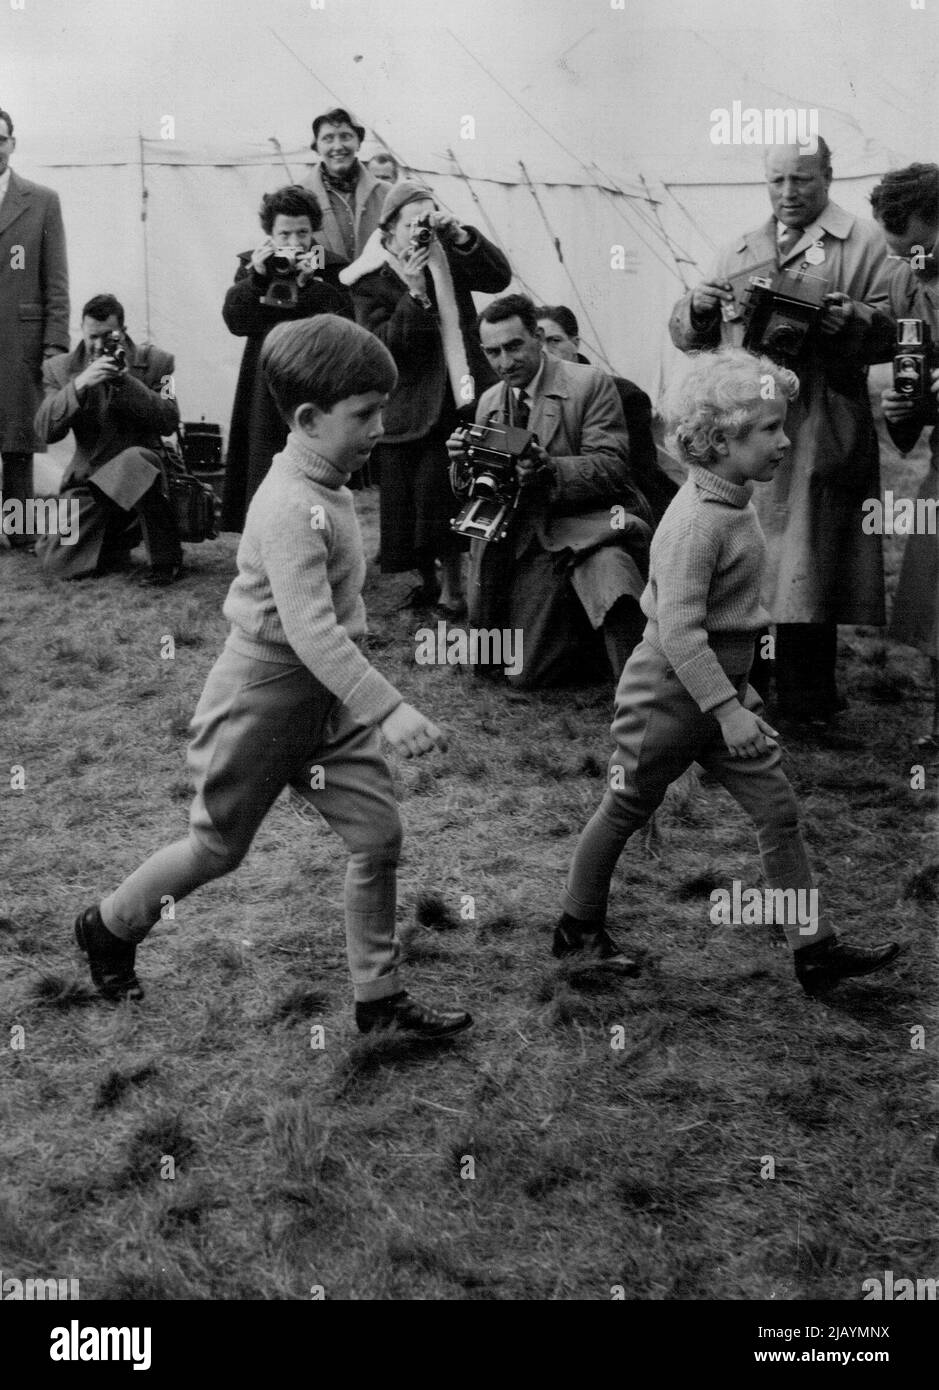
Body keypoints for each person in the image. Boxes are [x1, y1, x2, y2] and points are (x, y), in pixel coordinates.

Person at [73, 313, 472, 1039]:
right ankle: (109, 926)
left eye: (384, 408)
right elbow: (311, 632)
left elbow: (329, 637)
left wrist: (356, 708)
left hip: (326, 700)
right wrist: (390, 709)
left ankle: (377, 1002)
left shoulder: (332, 479)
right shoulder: (290, 504)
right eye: (367, 413)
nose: (382, 425)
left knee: (377, 836)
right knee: (217, 848)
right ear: (310, 419)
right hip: (261, 698)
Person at [554, 347, 900, 996]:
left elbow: (722, 624)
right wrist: (728, 708)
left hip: (716, 699)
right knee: (626, 806)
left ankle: (813, 949)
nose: (784, 440)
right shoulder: (692, 525)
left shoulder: (733, 502)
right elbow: (679, 632)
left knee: (777, 811)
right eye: (768, 429)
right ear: (716, 441)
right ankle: (577, 928)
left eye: (781, 424)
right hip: (666, 700)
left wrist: (736, 695)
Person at [669, 139, 894, 723]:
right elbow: (694, 337)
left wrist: (856, 320)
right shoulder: (741, 248)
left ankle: (808, 696)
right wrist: (697, 305)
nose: (789, 193)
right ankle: (747, 683)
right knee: (749, 552)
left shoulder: (866, 243)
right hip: (747, 427)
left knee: (809, 559)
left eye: (802, 180)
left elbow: (900, 330)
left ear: (828, 177)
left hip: (821, 419)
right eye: (777, 181)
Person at [448, 294, 653, 687]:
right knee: (525, 674)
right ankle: (575, 638)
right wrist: (462, 463)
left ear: (537, 337)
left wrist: (550, 470)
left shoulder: (588, 384)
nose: (504, 362)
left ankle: (630, 673)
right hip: (525, 539)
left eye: (514, 346)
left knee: (609, 571)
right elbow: (483, 493)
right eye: (492, 352)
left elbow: (613, 467)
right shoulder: (490, 401)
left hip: (587, 525)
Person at [351, 180, 511, 614]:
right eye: (412, 223)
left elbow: (499, 277)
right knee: (413, 499)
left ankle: (456, 585)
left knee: (452, 488)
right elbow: (381, 344)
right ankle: (429, 578)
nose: (421, 231)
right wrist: (415, 293)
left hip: (461, 392)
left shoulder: (448, 256)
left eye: (428, 218)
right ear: (388, 232)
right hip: (410, 401)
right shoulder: (370, 281)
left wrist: (459, 236)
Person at [220, 184, 353, 532]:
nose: (294, 242)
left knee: (315, 466)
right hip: (266, 383)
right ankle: (265, 542)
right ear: (270, 233)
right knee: (264, 464)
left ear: (314, 231)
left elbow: (345, 324)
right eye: (284, 234)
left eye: (303, 233)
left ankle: (317, 540)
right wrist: (257, 280)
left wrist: (313, 286)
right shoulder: (254, 264)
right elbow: (236, 322)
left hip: (316, 383)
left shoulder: (332, 267)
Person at [34, 294, 182, 584]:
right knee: (56, 564)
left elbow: (169, 419)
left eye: (109, 336)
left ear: (124, 331)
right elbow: (45, 430)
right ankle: (110, 543)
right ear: (81, 330)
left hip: (142, 482)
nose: (99, 345)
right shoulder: (58, 369)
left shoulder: (160, 363)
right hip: (91, 487)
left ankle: (165, 562)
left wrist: (126, 383)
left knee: (137, 459)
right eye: (92, 337)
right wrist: (79, 384)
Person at [870, 162, 939, 749]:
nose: (919, 267)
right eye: (905, 256)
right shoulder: (903, 285)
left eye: (925, 251)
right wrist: (903, 408)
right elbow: (912, 367)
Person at [536, 304, 678, 526]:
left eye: (554, 340)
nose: (546, 350)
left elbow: (639, 473)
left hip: (615, 509)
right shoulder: (527, 399)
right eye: (539, 342)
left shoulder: (624, 395)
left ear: (575, 343)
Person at [0, 107, 70, 551]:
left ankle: (20, 529)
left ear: (11, 143)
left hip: (18, 340)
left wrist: (54, 344)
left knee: (17, 438)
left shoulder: (41, 200)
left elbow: (56, 281)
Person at [302, 108, 386, 270]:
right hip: (323, 290)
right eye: (328, 138)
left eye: (345, 136)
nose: (338, 146)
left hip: (377, 293)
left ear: (359, 143)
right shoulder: (300, 196)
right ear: (317, 147)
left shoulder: (386, 193)